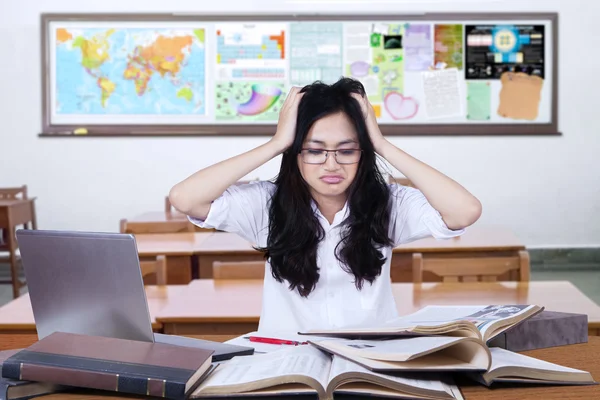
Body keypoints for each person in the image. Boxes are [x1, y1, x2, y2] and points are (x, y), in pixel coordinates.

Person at [168, 77, 482, 333]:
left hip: (371, 364)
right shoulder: (266, 204)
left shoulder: (387, 203)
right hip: (286, 367)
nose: (331, 165)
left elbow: (464, 211)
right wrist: (276, 143)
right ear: (296, 153)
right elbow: (185, 198)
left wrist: (383, 145)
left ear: (363, 152)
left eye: (346, 151)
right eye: (315, 151)